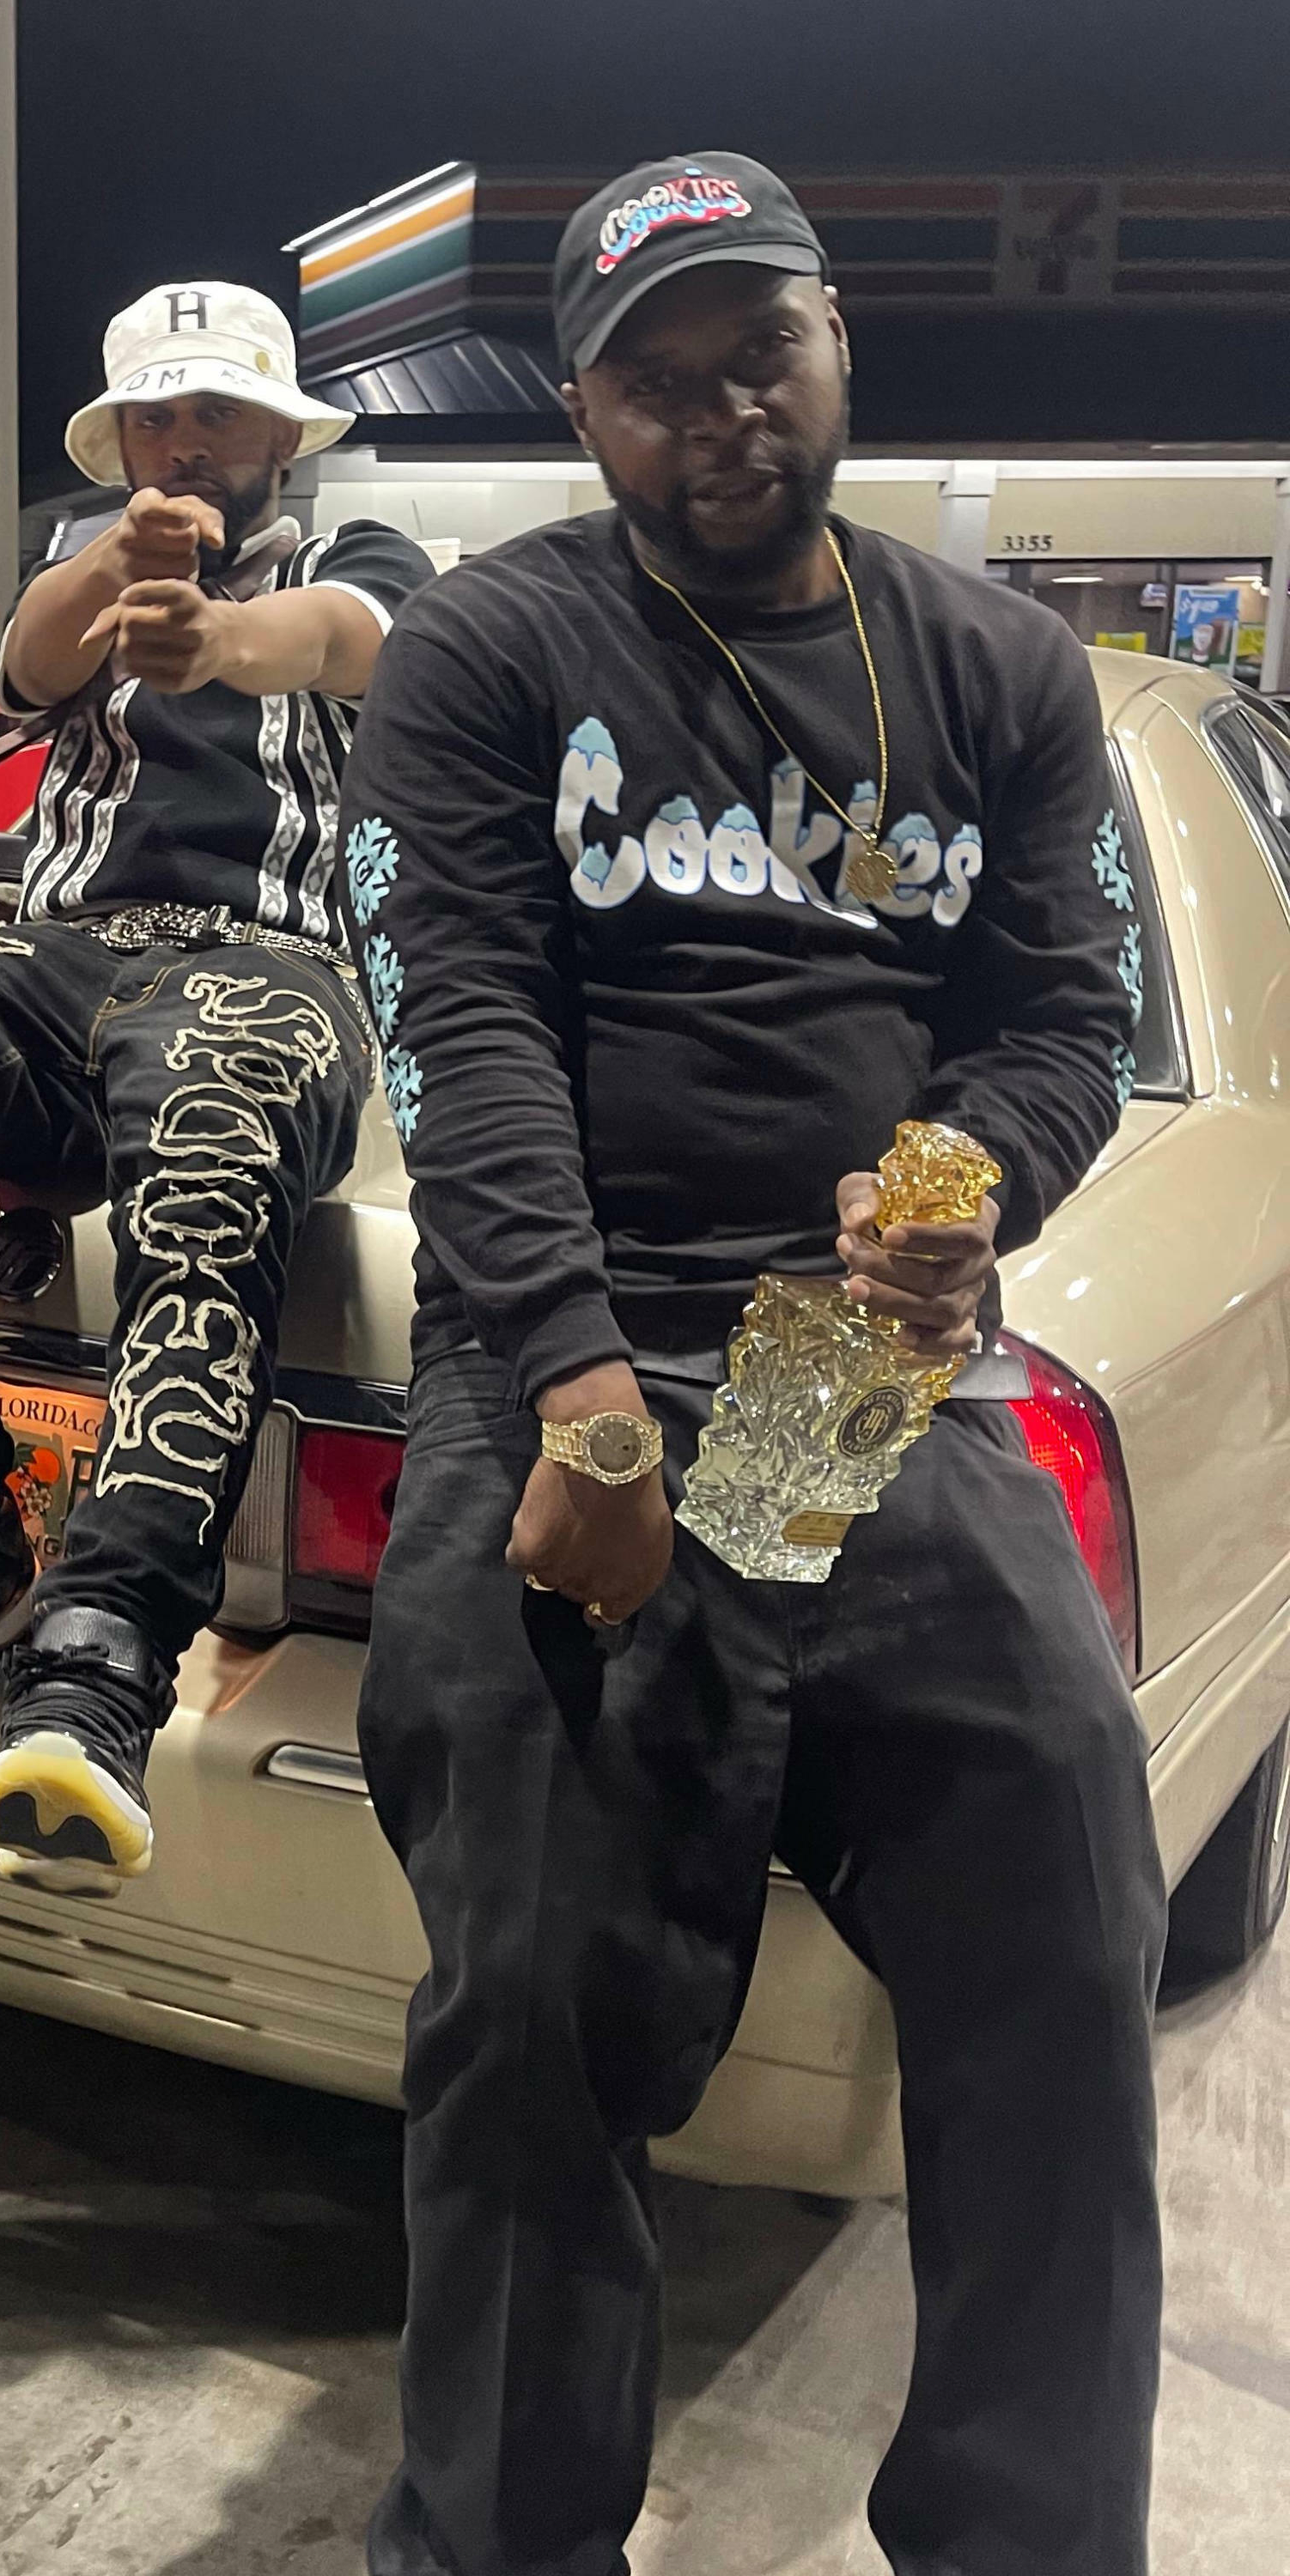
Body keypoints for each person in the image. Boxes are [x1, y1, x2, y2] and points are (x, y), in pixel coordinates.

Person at [340, 155, 1163, 2575]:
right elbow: (463, 1028)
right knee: (538, 2011)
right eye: (657, 383)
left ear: (837, 341)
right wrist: (583, 1399)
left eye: (758, 354)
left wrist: (955, 1191)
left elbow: (1063, 1015)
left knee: (1059, 1917)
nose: (720, 416)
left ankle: (1026, 2539)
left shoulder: (994, 668)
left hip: (839, 1365)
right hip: (574, 1345)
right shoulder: (489, 651)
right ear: (585, 413)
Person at [0, 283, 430, 1897]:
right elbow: (28, 660)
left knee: (209, 1126)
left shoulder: (359, 552)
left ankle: (106, 1648)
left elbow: (345, 643)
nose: (188, 439)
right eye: (158, 413)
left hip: (269, 962)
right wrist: (120, 565)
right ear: (122, 439)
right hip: (62, 954)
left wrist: (220, 636)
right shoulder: (86, 558)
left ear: (283, 432)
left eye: (219, 411)